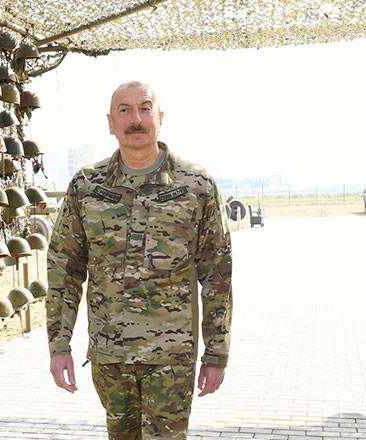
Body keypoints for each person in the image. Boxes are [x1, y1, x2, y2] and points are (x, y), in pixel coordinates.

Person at [46, 81, 233, 439]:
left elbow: (217, 276)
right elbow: (64, 271)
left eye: (145, 109)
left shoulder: (196, 186)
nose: (136, 119)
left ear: (160, 118)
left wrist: (216, 352)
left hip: (171, 356)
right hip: (109, 354)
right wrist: (59, 345)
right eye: (125, 110)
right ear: (110, 122)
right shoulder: (86, 186)